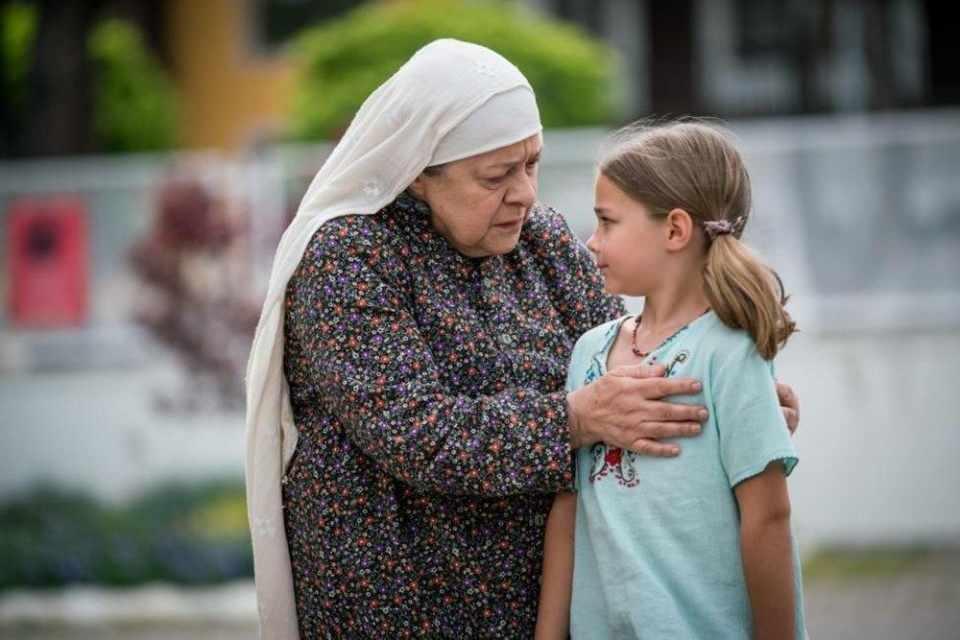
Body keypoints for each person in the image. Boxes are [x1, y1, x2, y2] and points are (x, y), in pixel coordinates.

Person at [245, 40, 800, 639]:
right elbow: (414, 432)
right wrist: (571, 422)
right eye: (497, 175)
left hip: (547, 613)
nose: (526, 193)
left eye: (531, 164)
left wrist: (722, 406)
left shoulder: (544, 244)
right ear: (421, 174)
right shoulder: (349, 259)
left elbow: (628, 376)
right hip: (401, 611)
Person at [535, 121, 807, 640]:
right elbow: (567, 512)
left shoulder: (731, 353)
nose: (591, 242)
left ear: (675, 230)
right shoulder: (589, 352)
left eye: (608, 222)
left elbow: (768, 519)